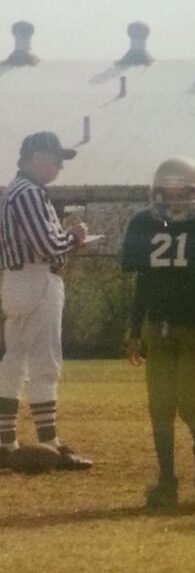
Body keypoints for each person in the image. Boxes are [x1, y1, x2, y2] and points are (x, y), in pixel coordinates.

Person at [123, 157, 195, 510]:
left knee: (188, 399)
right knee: (159, 406)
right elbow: (143, 281)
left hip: (194, 328)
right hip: (157, 327)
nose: (173, 199)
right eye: (167, 192)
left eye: (181, 192)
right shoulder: (144, 224)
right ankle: (166, 480)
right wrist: (133, 329)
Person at [0, 131, 92, 471]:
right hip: (38, 278)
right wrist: (75, 237)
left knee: (15, 360)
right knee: (44, 363)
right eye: (55, 159)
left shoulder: (16, 190)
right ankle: (49, 442)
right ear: (36, 156)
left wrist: (64, 238)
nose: (58, 166)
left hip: (16, 278)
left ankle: (5, 441)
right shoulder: (30, 192)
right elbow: (48, 247)